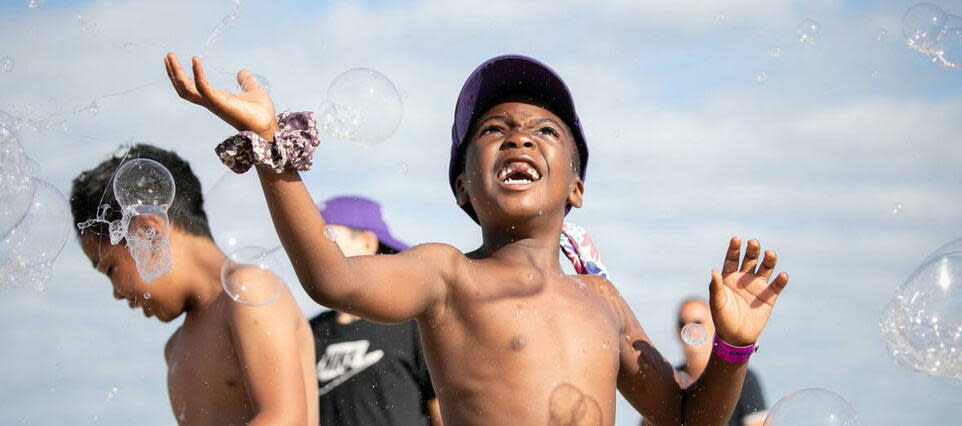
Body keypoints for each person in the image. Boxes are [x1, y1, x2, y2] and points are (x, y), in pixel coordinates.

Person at [164, 52, 791, 425]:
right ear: (462, 187)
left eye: (545, 130)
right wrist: (275, 150)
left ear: (576, 187)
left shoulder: (601, 299)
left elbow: (682, 417)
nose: (519, 135)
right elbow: (335, 276)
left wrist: (733, 349)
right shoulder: (447, 275)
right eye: (493, 128)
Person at [70, 144, 318, 426]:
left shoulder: (249, 291)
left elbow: (285, 419)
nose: (116, 293)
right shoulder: (175, 348)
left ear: (148, 232)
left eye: (111, 269)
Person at [310, 195, 442, 425]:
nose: (315, 249)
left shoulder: (411, 324)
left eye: (329, 236)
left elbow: (441, 407)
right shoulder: (310, 332)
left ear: (368, 243)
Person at [674, 297, 768, 426]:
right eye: (681, 323)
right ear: (676, 331)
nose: (689, 328)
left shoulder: (742, 377)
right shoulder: (670, 378)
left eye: (697, 322)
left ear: (714, 327)